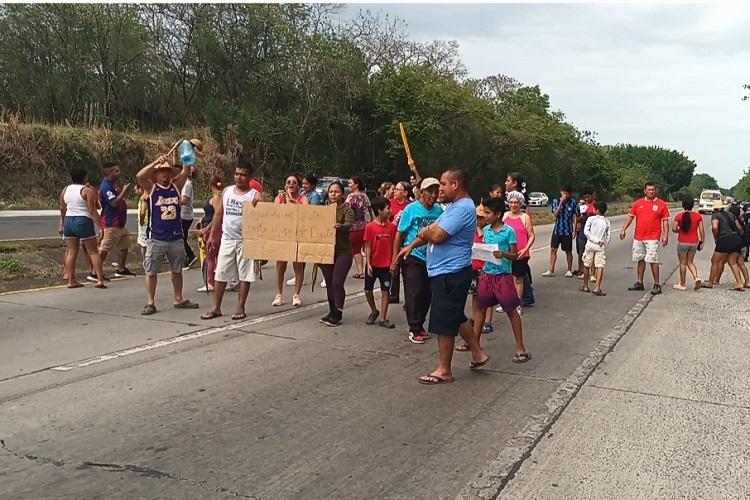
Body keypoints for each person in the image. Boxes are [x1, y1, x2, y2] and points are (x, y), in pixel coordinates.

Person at [396, 169, 489, 385]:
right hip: (445, 271)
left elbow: (437, 235)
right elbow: (431, 229)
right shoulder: (453, 208)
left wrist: (425, 232)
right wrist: (411, 245)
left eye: (444, 184)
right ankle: (478, 353)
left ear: (455, 184)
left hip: (450, 272)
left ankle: (444, 369)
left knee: (443, 321)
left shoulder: (463, 208)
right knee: (455, 315)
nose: (440, 190)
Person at [136, 153, 199, 315]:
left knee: (177, 270)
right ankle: (150, 302)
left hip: (175, 237)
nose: (165, 174)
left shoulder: (176, 187)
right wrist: (154, 163)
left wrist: (187, 152)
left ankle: (178, 298)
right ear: (156, 174)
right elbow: (140, 176)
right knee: (151, 271)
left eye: (167, 171)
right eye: (162, 171)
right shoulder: (151, 188)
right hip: (156, 237)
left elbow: (186, 171)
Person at [200, 158, 261, 319]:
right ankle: (216, 308)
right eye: (236, 174)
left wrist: (259, 202)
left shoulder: (254, 195)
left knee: (245, 275)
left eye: (243, 175)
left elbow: (263, 214)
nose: (238, 177)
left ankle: (240, 307)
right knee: (220, 273)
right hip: (227, 239)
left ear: (249, 177)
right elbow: (218, 214)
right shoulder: (227, 191)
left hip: (245, 240)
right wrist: (212, 236)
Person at [472, 197, 530, 362]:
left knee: (511, 310)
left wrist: (503, 254)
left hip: (503, 276)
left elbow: (514, 255)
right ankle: (475, 346)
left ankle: (520, 347)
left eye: (488, 213)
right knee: (480, 309)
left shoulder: (508, 231)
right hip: (486, 274)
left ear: (497, 214)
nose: (485, 216)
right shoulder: (486, 230)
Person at [391, 178, 443, 344]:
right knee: (414, 291)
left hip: (432, 257)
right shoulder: (411, 209)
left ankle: (420, 323)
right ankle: (414, 328)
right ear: (421, 192)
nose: (433, 195)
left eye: (436, 191)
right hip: (412, 255)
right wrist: (394, 259)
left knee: (428, 293)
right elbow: (399, 234)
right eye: (430, 191)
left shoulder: (439, 210)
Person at [59, 168, 107, 289]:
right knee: (93, 251)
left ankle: (71, 280)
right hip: (82, 220)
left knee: (71, 252)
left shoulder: (65, 190)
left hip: (69, 220)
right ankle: (100, 280)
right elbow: (92, 210)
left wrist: (62, 224)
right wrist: (101, 227)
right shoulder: (86, 190)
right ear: (85, 177)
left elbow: (62, 208)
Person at [619, 182, 670, 295]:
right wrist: (623, 229)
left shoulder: (661, 204)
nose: (651, 192)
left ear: (655, 191)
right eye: (649, 190)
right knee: (640, 258)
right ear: (645, 191)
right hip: (639, 236)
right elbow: (630, 217)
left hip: (652, 237)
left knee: (652, 259)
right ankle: (639, 282)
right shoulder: (638, 203)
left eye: (653, 190)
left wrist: (665, 235)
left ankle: (657, 284)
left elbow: (665, 221)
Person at [319, 181, 354, 326]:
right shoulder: (323, 211)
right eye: (331, 191)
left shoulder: (347, 210)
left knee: (337, 282)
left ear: (342, 194)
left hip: (343, 252)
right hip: (327, 251)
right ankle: (332, 311)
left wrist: (341, 227)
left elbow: (349, 224)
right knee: (329, 283)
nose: (333, 194)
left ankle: (338, 312)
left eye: (336, 191)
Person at [273, 174, 308, 307]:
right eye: (288, 182)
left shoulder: (303, 199)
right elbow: (274, 213)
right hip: (283, 236)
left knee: (298, 266)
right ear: (285, 186)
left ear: (298, 186)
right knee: (280, 266)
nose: (291, 184)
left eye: (294, 182)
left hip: (298, 235)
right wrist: (284, 200)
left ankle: (296, 294)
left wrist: (294, 202)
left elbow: (307, 214)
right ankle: (279, 294)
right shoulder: (279, 198)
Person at [363, 196, 397, 329]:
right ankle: (374, 311)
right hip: (373, 265)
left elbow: (395, 245)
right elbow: (368, 246)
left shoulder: (392, 227)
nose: (389, 211)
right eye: (387, 208)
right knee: (368, 290)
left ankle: (383, 317)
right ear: (379, 210)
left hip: (386, 266)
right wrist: (368, 264)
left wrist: (394, 262)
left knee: (385, 290)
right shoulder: (370, 227)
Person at [97, 162, 135, 279]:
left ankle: (121, 269)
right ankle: (96, 271)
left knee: (125, 245)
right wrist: (124, 192)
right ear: (109, 173)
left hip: (120, 223)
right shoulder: (106, 186)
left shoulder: (113, 185)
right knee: (105, 248)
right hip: (111, 222)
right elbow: (113, 202)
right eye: (116, 171)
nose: (119, 173)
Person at [502, 196, 535, 313]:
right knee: (506, 278)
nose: (513, 205)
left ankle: (517, 304)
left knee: (518, 279)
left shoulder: (525, 217)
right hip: (506, 252)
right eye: (511, 202)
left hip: (520, 253)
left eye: (516, 202)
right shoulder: (505, 216)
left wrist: (525, 249)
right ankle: (507, 302)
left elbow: (531, 236)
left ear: (520, 204)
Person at [703, 200, 746, 291]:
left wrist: (716, 238)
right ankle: (739, 283)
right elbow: (739, 228)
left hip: (725, 239)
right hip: (736, 238)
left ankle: (710, 282)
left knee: (714, 260)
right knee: (732, 262)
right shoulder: (731, 215)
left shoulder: (715, 215)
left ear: (714, 209)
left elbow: (715, 227)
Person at [196, 175, 225, 292]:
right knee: (212, 256)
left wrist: (207, 229)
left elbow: (217, 215)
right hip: (209, 226)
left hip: (214, 230)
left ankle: (211, 282)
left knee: (211, 257)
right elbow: (210, 213)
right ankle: (213, 280)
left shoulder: (217, 198)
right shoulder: (214, 197)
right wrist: (202, 219)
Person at [543, 186, 577, 278]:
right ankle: (550, 269)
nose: (565, 195)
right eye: (564, 193)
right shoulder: (556, 201)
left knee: (568, 250)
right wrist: (561, 203)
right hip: (558, 229)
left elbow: (574, 216)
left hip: (567, 230)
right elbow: (555, 214)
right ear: (561, 192)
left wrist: (574, 230)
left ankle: (569, 269)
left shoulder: (573, 202)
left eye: (567, 194)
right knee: (553, 249)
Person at [671, 197, 704, 291]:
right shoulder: (698, 216)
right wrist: (702, 242)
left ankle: (682, 284)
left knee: (682, 263)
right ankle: (696, 277)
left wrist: (680, 230)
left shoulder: (678, 216)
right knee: (690, 262)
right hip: (694, 242)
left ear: (683, 205)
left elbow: (674, 229)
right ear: (692, 205)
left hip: (682, 242)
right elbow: (702, 230)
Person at [388, 181, 412, 304]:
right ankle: (394, 294)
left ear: (405, 193)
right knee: (394, 266)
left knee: (407, 271)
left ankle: (409, 299)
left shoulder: (411, 206)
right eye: (395, 189)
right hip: (393, 238)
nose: (395, 191)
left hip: (407, 240)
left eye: (398, 190)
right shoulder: (390, 203)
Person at [581, 202, 611, 296]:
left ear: (597, 210)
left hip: (590, 245)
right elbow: (608, 236)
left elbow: (586, 232)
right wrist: (603, 243)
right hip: (600, 247)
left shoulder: (591, 219)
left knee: (587, 264)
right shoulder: (606, 221)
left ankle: (585, 286)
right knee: (600, 266)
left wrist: (594, 240)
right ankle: (597, 287)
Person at [345, 176, 371, 279]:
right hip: (364, 226)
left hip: (353, 227)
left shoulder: (350, 197)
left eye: (350, 183)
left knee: (354, 249)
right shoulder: (364, 196)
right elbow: (369, 209)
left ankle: (360, 271)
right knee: (362, 248)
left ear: (356, 185)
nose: (348, 185)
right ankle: (364, 270)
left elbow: (346, 210)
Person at [575, 189, 596, 279]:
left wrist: (591, 214)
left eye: (588, 197)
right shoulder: (581, 206)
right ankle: (583, 271)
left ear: (592, 196)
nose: (587, 199)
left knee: (592, 253)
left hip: (593, 233)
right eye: (585, 197)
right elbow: (576, 218)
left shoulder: (595, 205)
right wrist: (583, 216)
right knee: (581, 253)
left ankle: (593, 273)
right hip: (582, 232)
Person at [180, 173, 198, 269]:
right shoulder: (183, 184)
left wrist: (172, 200)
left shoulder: (187, 184)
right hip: (182, 215)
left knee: (181, 238)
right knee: (182, 237)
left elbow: (185, 200)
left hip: (185, 215)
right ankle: (187, 258)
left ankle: (190, 257)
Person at [135, 184, 149, 259]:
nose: (135, 192)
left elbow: (143, 211)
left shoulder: (143, 198)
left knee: (143, 244)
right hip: (146, 222)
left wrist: (141, 220)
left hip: (144, 224)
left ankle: (145, 261)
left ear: (140, 189)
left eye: (136, 190)